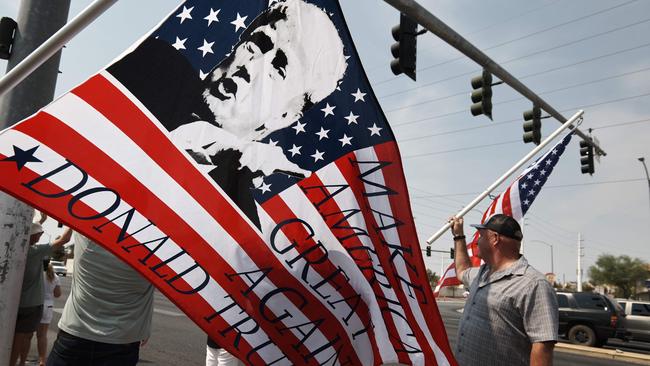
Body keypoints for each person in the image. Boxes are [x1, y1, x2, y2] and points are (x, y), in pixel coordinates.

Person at [449, 214, 558, 366]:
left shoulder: (533, 284)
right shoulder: (482, 273)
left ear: (494, 238)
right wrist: (459, 237)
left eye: (480, 236)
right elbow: (462, 270)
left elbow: (542, 348)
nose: (477, 242)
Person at [46, 232, 154, 366]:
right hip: (123, 339)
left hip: (75, 333)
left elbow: (68, 231)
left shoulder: (87, 235)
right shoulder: (155, 252)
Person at [10, 217, 71, 366]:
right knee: (22, 338)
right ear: (32, 236)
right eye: (39, 234)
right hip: (32, 305)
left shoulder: (16, 248)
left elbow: (28, 233)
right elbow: (63, 240)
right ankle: (15, 363)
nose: (41, 235)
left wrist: (41, 220)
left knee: (22, 337)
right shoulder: (35, 251)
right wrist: (72, 222)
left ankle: (21, 362)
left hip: (19, 302)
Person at [35, 263, 61, 366]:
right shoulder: (55, 276)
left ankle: (22, 360)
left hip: (36, 303)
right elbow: (57, 294)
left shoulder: (38, 274)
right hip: (48, 306)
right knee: (42, 335)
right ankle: (42, 360)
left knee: (26, 335)